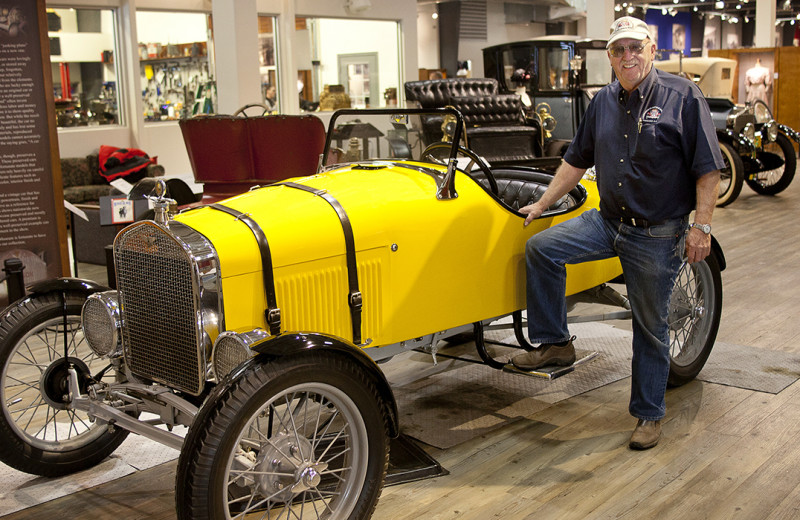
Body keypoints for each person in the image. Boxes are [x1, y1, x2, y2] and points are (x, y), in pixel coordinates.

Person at [511, 16, 723, 450]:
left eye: (634, 48)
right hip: (607, 221)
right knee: (542, 250)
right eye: (618, 50)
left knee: (649, 326)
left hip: (657, 233)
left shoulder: (683, 96)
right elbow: (575, 160)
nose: (627, 57)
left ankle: (648, 415)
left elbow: (708, 170)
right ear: (609, 57)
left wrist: (701, 227)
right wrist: (543, 203)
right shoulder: (603, 101)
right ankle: (555, 343)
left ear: (651, 50)